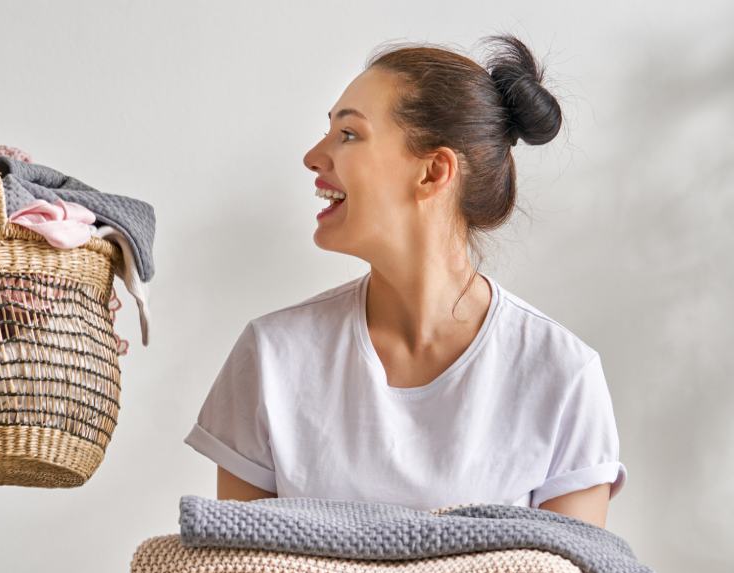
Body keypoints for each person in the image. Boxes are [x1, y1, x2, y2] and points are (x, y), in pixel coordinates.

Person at [185, 36, 624, 528]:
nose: (313, 156)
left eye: (349, 134)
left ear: (434, 172)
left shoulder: (560, 375)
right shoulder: (272, 356)